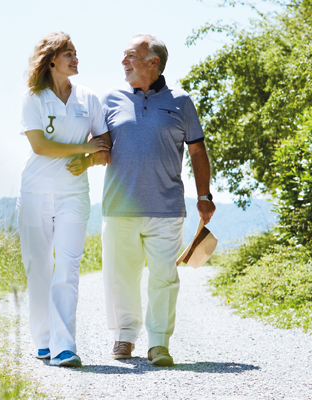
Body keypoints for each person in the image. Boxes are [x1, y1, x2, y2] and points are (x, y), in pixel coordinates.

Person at [68, 33, 216, 366]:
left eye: (130, 56)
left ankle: (159, 343)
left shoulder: (181, 102)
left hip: (167, 208)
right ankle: (124, 336)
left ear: (153, 63)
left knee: (164, 276)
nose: (123, 61)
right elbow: (99, 144)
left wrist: (204, 195)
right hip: (120, 207)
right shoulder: (110, 99)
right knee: (121, 275)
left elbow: (197, 150)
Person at [16, 31, 110, 367]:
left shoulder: (89, 99)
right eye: (69, 53)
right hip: (35, 194)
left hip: (73, 195)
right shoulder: (34, 98)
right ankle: (43, 340)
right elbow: (39, 146)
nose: (75, 58)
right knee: (38, 268)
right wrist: (84, 148)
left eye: (76, 52)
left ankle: (65, 347)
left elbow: (106, 143)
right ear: (51, 59)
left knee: (67, 269)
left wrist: (87, 161)